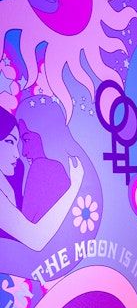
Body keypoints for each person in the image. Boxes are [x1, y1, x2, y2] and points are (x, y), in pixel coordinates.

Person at [0, 108, 82, 251]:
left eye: (18, 143)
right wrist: (74, 187)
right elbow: (36, 240)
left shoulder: (14, 178)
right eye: (9, 142)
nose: (18, 154)